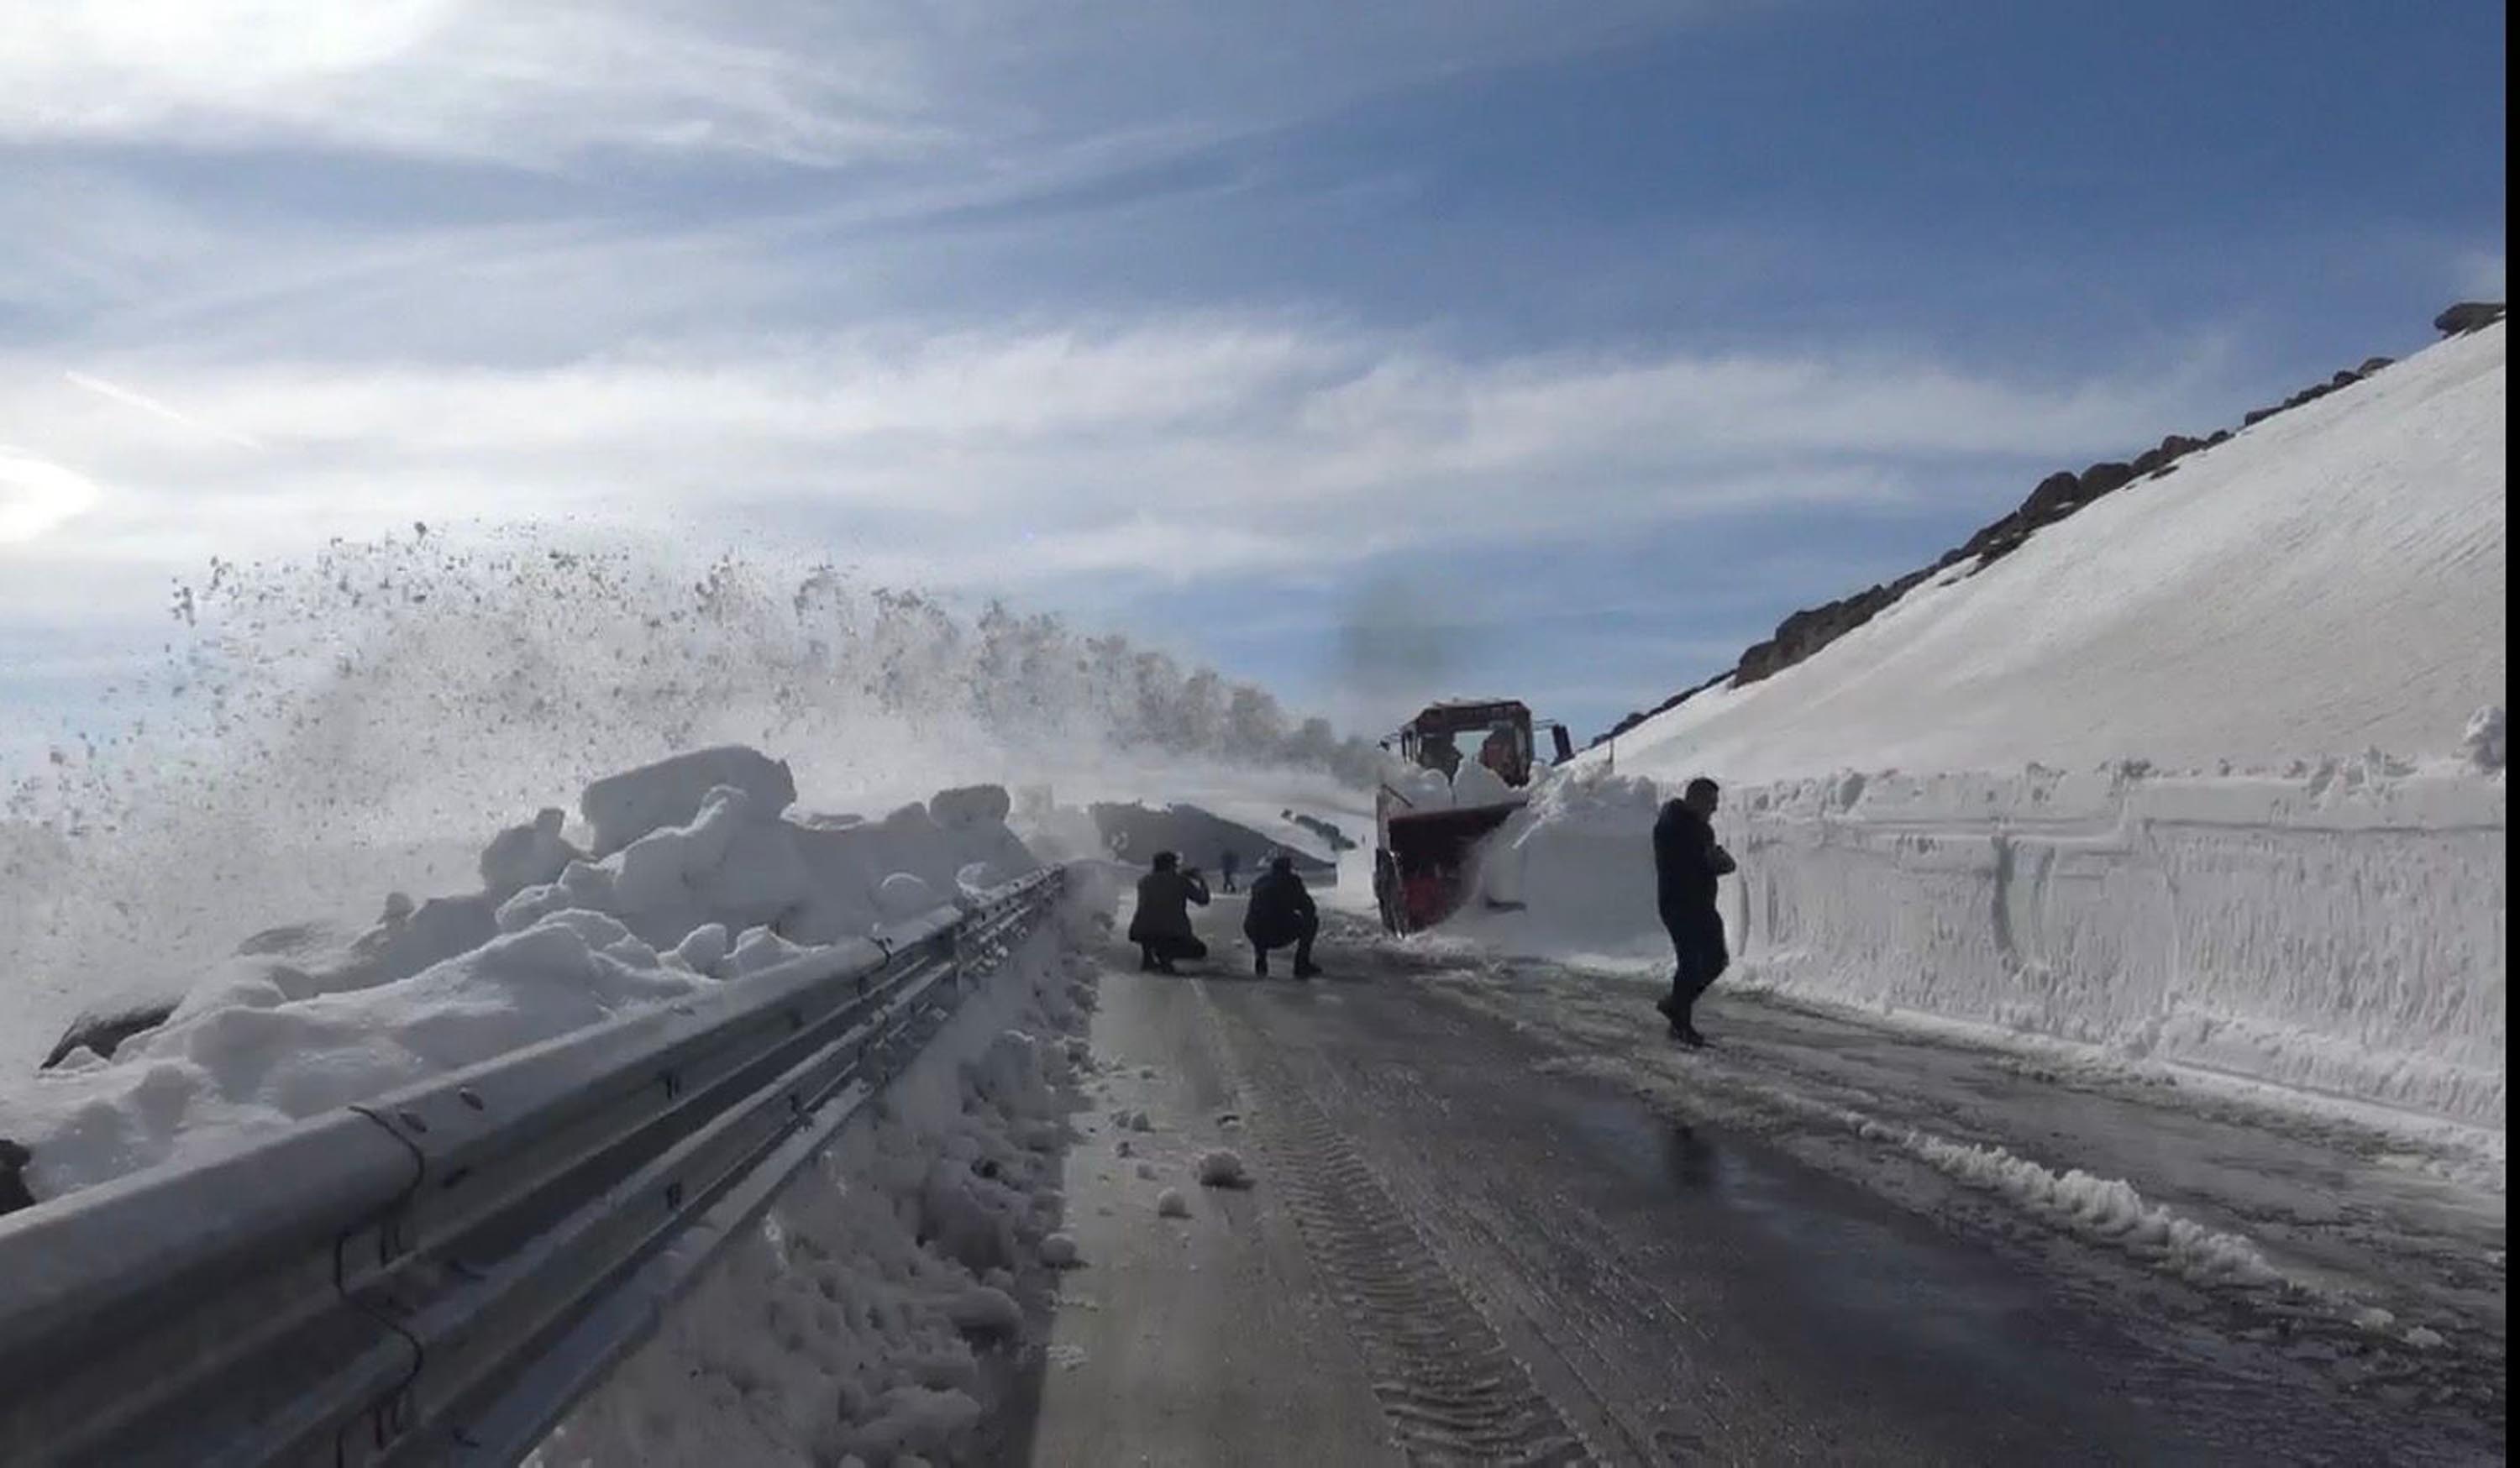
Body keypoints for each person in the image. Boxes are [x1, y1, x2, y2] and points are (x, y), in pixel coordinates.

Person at [1652, 776, 1736, 1047]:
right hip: (1678, 904)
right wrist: (1713, 862)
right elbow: (1689, 862)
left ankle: (1676, 1004)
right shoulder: (1671, 824)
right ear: (1695, 799)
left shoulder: (1702, 829)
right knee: (1689, 963)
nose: (1714, 809)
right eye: (1711, 803)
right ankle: (1681, 1023)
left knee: (1716, 960)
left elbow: (1707, 860)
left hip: (1703, 904)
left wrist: (1717, 862)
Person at [1128, 851, 1210, 973]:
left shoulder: (1144, 881)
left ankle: (1148, 958)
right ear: (1172, 865)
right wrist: (1201, 880)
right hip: (1172, 932)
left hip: (1141, 930)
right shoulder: (1180, 881)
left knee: (1149, 921)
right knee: (1199, 950)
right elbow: (1203, 900)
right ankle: (1165, 956)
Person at [1244, 855, 1321, 978]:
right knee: (1312, 922)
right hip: (1278, 932)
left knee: (1259, 920)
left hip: (1254, 931)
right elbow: (1309, 908)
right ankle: (1301, 963)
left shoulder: (1260, 881)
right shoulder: (1292, 882)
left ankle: (1261, 959)